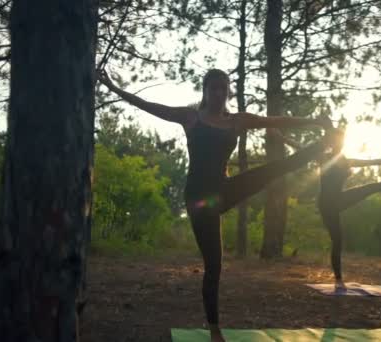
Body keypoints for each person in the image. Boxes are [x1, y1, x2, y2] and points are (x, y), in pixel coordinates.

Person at [99, 68, 337, 342]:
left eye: (223, 89)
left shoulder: (238, 121)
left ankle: (322, 147)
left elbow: (276, 119)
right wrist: (115, 88)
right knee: (214, 266)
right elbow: (149, 106)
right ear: (205, 90)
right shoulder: (191, 117)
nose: (218, 94)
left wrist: (314, 121)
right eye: (213, 88)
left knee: (273, 170)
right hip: (199, 200)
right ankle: (214, 330)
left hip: (223, 191)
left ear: (228, 92)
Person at [273, 128, 381, 290]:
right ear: (333, 143)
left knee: (370, 188)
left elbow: (373, 162)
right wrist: (283, 138)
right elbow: (302, 148)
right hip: (326, 204)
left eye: (341, 142)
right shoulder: (324, 158)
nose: (339, 145)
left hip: (339, 199)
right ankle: (338, 279)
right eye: (337, 142)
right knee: (337, 240)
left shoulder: (347, 161)